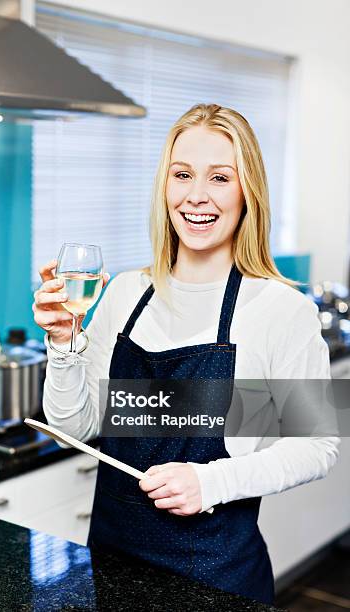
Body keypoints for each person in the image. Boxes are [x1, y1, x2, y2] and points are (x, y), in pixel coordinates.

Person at [32, 103, 340, 605]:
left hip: (216, 575)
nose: (197, 196)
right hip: (112, 566)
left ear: (248, 192)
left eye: (220, 177)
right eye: (182, 174)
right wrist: (65, 343)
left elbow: (317, 446)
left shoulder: (281, 308)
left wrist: (211, 481)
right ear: (165, 186)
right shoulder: (127, 293)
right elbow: (75, 427)